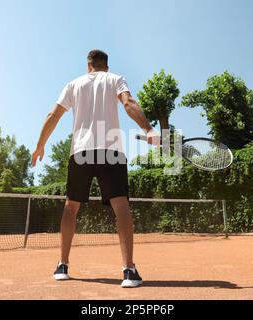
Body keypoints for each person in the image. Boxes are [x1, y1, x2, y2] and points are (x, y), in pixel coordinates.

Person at [31, 49, 160, 288]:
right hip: (111, 151)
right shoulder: (115, 79)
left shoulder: (73, 84)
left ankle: (62, 265)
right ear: (106, 67)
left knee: (71, 207)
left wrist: (40, 145)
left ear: (88, 65)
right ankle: (129, 271)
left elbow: (53, 114)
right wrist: (148, 129)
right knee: (120, 206)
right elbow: (129, 103)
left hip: (80, 151)